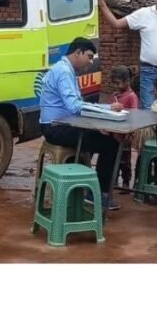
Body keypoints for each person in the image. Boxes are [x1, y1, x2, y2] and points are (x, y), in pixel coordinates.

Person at [39, 38, 124, 210]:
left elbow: (76, 105)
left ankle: (80, 184)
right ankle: (98, 194)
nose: (91, 62)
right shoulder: (64, 71)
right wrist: (106, 109)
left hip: (62, 124)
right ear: (78, 53)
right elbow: (75, 106)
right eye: (89, 56)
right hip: (56, 128)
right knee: (110, 144)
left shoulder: (66, 69)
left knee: (96, 137)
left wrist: (103, 111)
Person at [109, 66, 139, 190]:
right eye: (114, 83)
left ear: (127, 81)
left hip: (125, 134)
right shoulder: (115, 96)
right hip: (114, 133)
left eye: (118, 83)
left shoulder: (131, 96)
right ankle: (114, 181)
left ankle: (126, 182)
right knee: (113, 158)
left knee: (125, 160)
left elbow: (134, 114)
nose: (116, 86)